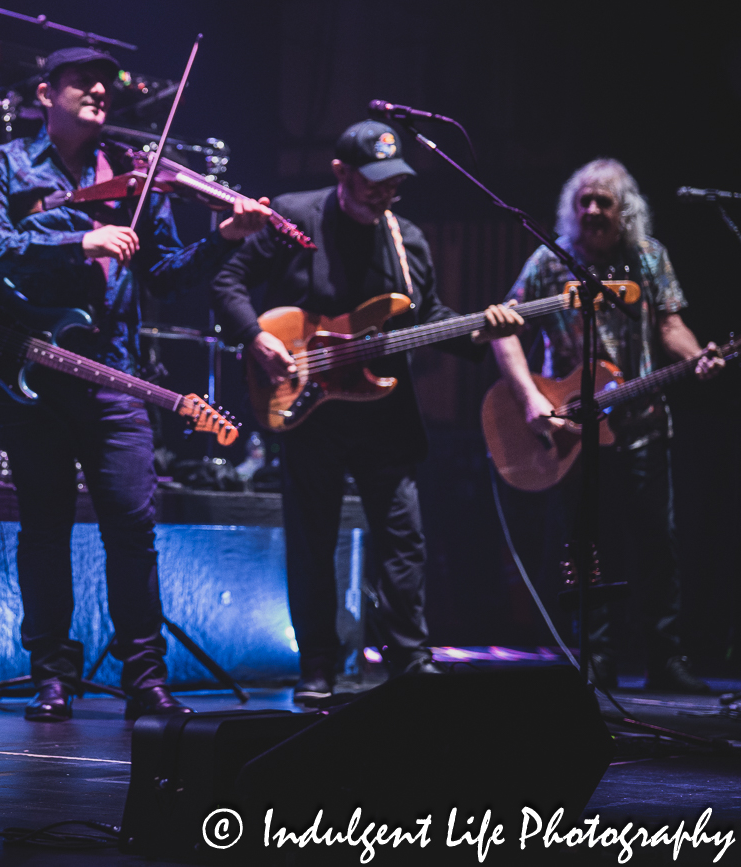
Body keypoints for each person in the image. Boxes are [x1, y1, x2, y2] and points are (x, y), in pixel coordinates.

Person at [0, 46, 271, 723]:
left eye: (105, 82)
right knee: (43, 528)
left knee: (132, 528)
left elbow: (163, 273)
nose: (100, 90)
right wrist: (78, 242)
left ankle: (146, 676)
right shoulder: (5, 165)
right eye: (83, 81)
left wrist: (223, 236)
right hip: (31, 373)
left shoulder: (135, 174)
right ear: (47, 93)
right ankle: (50, 675)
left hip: (116, 374)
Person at [212, 120, 523, 706]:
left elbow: (426, 316)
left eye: (393, 186)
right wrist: (255, 335)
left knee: (404, 538)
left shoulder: (408, 240)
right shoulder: (293, 216)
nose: (383, 196)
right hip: (310, 408)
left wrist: (481, 329)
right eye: (372, 184)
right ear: (340, 174)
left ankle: (411, 658)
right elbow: (228, 280)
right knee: (312, 539)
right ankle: (318, 665)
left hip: (385, 414)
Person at [490, 158, 725, 693]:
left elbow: (671, 325)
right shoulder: (551, 261)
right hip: (575, 433)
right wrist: (530, 397)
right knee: (586, 548)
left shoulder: (648, 257)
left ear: (626, 211)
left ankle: (666, 658)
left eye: (605, 202)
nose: (593, 210)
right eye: (584, 201)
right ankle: (594, 657)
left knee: (657, 544)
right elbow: (505, 328)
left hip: (642, 423)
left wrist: (699, 357)